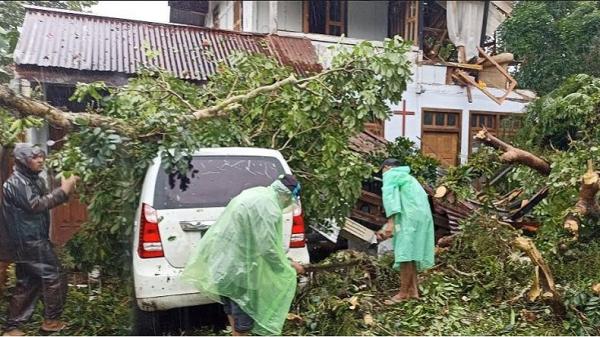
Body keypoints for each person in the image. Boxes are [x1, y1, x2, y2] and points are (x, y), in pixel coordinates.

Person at [182, 174, 305, 336]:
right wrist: (288, 266)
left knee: (236, 323)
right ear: (287, 195)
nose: (288, 204)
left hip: (222, 268)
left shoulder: (256, 193)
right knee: (243, 327)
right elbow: (267, 248)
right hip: (240, 274)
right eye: (289, 200)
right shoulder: (269, 208)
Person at [1, 143, 78, 336]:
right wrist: (63, 191)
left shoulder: (32, 180)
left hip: (31, 239)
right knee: (56, 276)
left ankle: (13, 328)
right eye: (34, 157)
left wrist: (67, 191)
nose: (40, 160)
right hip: (28, 241)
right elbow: (35, 205)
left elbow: (46, 201)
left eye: (41, 156)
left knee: (29, 282)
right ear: (22, 161)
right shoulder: (16, 182)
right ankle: (51, 321)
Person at [376, 158, 435, 302]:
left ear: (387, 167)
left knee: (404, 255)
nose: (383, 174)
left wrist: (390, 223)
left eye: (382, 170)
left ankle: (402, 294)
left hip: (408, 218)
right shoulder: (408, 178)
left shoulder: (391, 175)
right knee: (412, 254)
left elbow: (390, 198)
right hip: (422, 219)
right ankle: (413, 292)